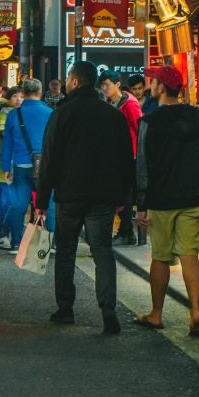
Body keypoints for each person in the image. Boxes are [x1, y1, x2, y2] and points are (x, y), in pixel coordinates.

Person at [36, 61, 134, 333]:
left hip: (68, 196)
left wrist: (42, 201)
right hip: (103, 197)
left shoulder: (62, 114)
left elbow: (49, 159)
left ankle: (66, 308)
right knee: (102, 250)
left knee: (66, 251)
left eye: (68, 78)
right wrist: (123, 196)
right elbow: (127, 159)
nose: (66, 82)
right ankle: (108, 309)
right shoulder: (113, 115)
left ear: (75, 82)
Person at [133, 65, 199, 338]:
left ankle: (156, 315)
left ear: (161, 87)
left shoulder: (149, 122)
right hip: (194, 198)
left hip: (161, 200)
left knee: (160, 257)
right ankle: (196, 311)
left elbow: (143, 165)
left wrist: (142, 204)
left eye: (154, 81)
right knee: (189, 254)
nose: (150, 85)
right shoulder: (198, 116)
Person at [0, 78, 53, 253]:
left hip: (21, 165)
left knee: (18, 205)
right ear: (40, 93)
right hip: (45, 166)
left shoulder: (14, 114)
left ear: (23, 93)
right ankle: (49, 245)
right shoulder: (49, 113)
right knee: (49, 205)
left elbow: (7, 143)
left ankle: (16, 243)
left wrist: (5, 166)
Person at [99, 70, 142, 246]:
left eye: (107, 84)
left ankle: (127, 233)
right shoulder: (109, 103)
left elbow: (140, 129)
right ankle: (125, 232)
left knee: (126, 196)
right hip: (115, 155)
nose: (104, 88)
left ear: (117, 84)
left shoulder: (130, 104)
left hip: (129, 156)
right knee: (121, 195)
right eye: (102, 84)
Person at [0, 87, 21, 246]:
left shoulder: (19, 113)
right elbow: (0, 129)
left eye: (21, 96)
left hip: (11, 163)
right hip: (5, 164)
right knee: (10, 200)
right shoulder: (5, 112)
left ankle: (4, 235)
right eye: (15, 96)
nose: (18, 99)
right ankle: (3, 235)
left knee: (6, 201)